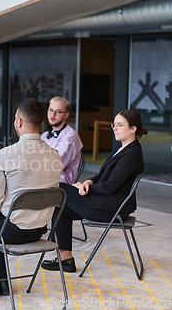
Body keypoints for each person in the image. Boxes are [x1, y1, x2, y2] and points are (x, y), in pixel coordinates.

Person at [0, 99, 63, 297]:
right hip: (39, 229)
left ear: (19, 122)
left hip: (12, 230)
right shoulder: (55, 155)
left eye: (16, 118)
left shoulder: (6, 154)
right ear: (41, 123)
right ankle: (3, 280)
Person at [41, 109, 146, 273]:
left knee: (59, 190)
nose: (115, 128)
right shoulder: (122, 149)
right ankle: (65, 258)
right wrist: (89, 181)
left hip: (111, 209)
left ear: (133, 129)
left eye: (120, 125)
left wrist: (83, 188)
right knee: (61, 206)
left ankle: (32, 230)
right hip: (105, 203)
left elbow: (110, 186)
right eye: (114, 125)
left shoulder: (131, 154)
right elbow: (103, 175)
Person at [0, 96, 82, 202]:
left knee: (14, 178)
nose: (52, 114)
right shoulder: (45, 135)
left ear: (66, 115)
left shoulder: (70, 136)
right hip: (39, 177)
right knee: (13, 174)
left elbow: (55, 164)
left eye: (58, 112)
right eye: (50, 110)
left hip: (57, 182)